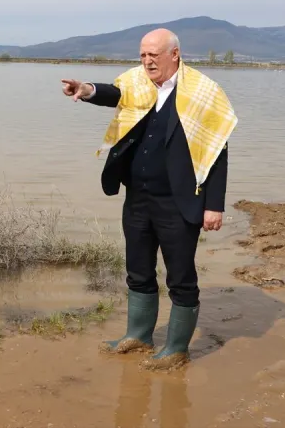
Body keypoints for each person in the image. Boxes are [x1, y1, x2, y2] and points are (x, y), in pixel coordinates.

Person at [61, 28, 237, 370]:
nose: (147, 61)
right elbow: (115, 93)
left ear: (175, 54)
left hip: (180, 202)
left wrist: (214, 205)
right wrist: (86, 90)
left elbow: (218, 152)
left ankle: (176, 349)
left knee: (181, 277)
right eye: (142, 55)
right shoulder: (137, 83)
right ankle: (139, 335)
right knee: (138, 270)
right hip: (138, 198)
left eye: (153, 55)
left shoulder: (203, 92)